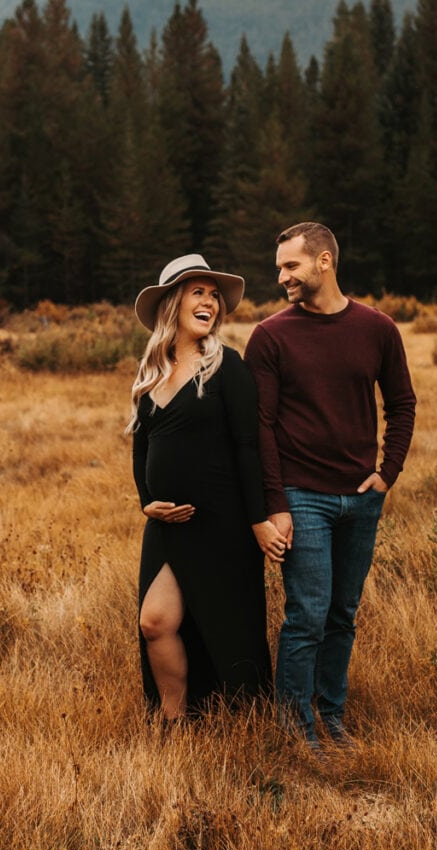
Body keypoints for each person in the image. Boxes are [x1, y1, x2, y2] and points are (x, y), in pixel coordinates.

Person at [244, 222, 416, 750]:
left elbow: (402, 403)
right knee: (308, 616)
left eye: (291, 266)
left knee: (343, 614)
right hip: (301, 495)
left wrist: (388, 472)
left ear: (324, 262)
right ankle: (296, 731)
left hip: (362, 498)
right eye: (279, 268)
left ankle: (331, 717)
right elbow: (260, 427)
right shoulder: (271, 336)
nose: (281, 278)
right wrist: (276, 504)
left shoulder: (378, 328)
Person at [128, 254, 286, 721]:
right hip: (167, 525)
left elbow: (247, 447)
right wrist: (146, 504)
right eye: (198, 292)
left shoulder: (227, 367)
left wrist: (258, 519)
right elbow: (141, 450)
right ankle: (174, 719)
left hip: (222, 521)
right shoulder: (150, 372)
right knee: (155, 622)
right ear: (173, 303)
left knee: (227, 624)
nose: (210, 302)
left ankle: (249, 722)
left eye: (214, 295)